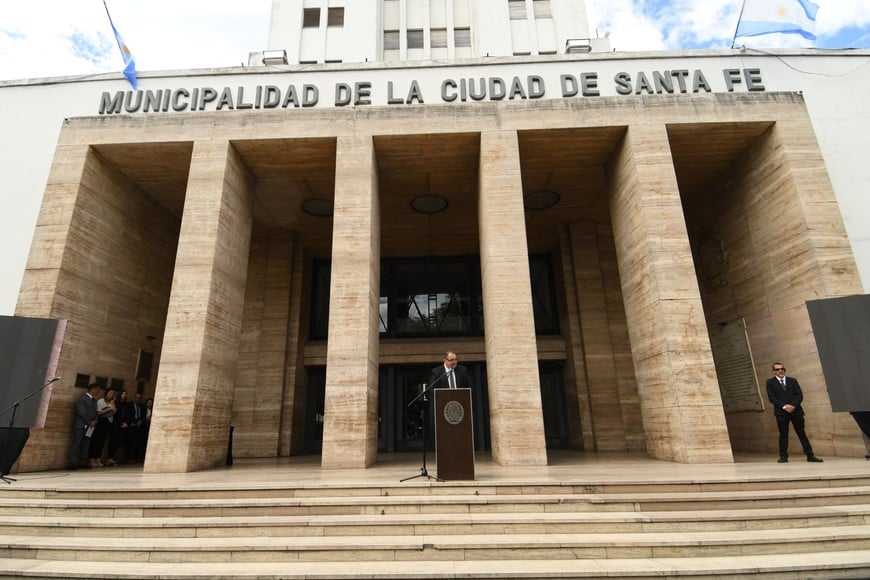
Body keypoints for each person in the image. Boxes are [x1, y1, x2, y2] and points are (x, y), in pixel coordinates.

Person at [765, 362, 823, 463]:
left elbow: (799, 395)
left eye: (782, 369)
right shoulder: (770, 382)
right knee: (783, 434)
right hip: (781, 413)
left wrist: (792, 406)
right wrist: (784, 406)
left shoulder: (792, 381)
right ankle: (783, 456)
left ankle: (810, 455)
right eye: (778, 369)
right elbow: (772, 398)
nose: (781, 371)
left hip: (796, 412)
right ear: (774, 371)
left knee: (802, 433)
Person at [68, 383, 100, 470]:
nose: (98, 392)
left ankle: (83, 462)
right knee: (76, 443)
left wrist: (95, 421)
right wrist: (90, 422)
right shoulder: (82, 399)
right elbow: (82, 412)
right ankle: (72, 462)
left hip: (90, 427)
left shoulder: (94, 400)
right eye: (97, 390)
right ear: (93, 389)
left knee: (86, 444)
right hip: (81, 426)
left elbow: (96, 412)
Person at [88, 388, 116, 468]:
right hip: (101, 422)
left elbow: (114, 410)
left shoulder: (111, 402)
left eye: (113, 394)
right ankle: (91, 459)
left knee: (102, 442)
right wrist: (109, 409)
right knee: (96, 441)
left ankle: (98, 458)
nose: (112, 395)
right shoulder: (101, 401)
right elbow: (98, 412)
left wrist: (112, 403)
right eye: (110, 393)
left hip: (108, 423)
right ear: (106, 393)